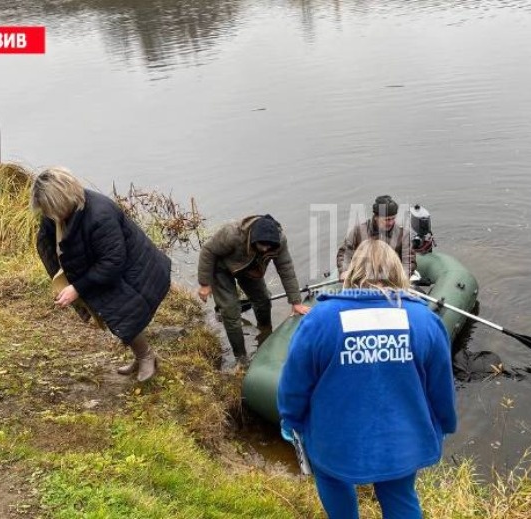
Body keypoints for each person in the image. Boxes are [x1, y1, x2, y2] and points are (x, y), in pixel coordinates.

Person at [278, 240, 457, 519]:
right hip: (400, 440)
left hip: (334, 438)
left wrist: (290, 420)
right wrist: (446, 422)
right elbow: (441, 386)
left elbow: (295, 383)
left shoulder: (319, 320)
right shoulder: (424, 321)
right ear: (398, 271)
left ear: (352, 271)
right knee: (399, 495)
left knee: (333, 480)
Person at [32, 167, 171, 382]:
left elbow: (113, 262)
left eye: (52, 209)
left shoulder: (100, 215)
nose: (50, 216)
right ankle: (140, 356)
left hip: (132, 270)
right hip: (109, 268)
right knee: (114, 311)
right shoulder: (59, 212)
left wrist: (77, 288)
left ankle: (146, 357)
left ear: (64, 198)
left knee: (124, 311)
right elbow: (49, 239)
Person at [196, 215, 310, 366]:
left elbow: (286, 268)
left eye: (269, 247)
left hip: (250, 269)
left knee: (263, 300)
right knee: (230, 311)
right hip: (221, 269)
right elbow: (208, 251)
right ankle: (241, 358)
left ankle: (265, 333)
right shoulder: (232, 234)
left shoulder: (279, 241)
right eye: (262, 245)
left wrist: (296, 302)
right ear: (253, 239)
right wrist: (205, 284)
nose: (266, 249)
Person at [336, 194, 417, 280]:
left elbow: (409, 261)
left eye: (393, 218)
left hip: (391, 279)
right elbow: (345, 253)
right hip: (363, 278)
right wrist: (344, 271)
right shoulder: (359, 232)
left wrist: (401, 277)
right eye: (387, 219)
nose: (391, 223)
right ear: (376, 217)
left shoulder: (402, 235)